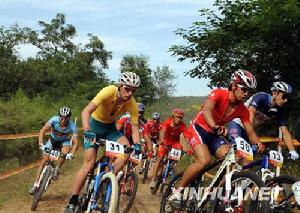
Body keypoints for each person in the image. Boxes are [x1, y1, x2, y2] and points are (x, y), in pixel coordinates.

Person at [168, 69, 264, 206]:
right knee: (204, 160)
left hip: (214, 134)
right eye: (244, 89)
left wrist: (259, 143)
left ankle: (215, 196)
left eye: (249, 91)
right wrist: (214, 125)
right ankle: (177, 192)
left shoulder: (242, 109)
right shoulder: (219, 93)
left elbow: (250, 132)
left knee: (230, 161)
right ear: (234, 85)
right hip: (199, 128)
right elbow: (206, 110)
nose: (246, 93)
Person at [65, 72, 142, 212]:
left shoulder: (133, 104)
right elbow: (86, 111)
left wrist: (137, 145)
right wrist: (87, 130)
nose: (130, 93)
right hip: (94, 126)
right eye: (127, 89)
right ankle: (73, 200)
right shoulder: (108, 91)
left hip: (110, 129)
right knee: (88, 165)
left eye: (133, 90)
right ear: (120, 86)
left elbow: (135, 129)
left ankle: (106, 179)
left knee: (127, 151)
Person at [228, 81, 299, 160]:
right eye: (284, 96)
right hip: (237, 124)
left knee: (249, 157)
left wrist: (292, 150)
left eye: (287, 98)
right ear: (275, 93)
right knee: (236, 153)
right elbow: (249, 116)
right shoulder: (261, 97)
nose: (286, 100)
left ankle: (243, 172)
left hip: (249, 131)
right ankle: (228, 169)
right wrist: (256, 140)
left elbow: (285, 132)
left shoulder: (279, 111)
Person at [28, 106, 79, 195]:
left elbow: (76, 142)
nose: (63, 119)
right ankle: (35, 185)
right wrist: (41, 143)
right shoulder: (54, 120)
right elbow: (43, 130)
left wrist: (72, 153)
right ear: (59, 116)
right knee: (44, 161)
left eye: (66, 118)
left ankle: (57, 169)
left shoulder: (72, 126)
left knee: (64, 153)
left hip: (64, 142)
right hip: (52, 140)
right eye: (62, 117)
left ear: (69, 118)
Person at [150, 108, 187, 189]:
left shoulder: (182, 125)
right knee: (159, 159)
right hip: (165, 141)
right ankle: (153, 180)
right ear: (173, 116)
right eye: (176, 117)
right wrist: (162, 140)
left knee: (180, 149)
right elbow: (163, 131)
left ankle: (172, 167)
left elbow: (187, 135)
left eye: (180, 118)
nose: (178, 119)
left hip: (175, 143)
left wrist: (188, 147)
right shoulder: (167, 122)